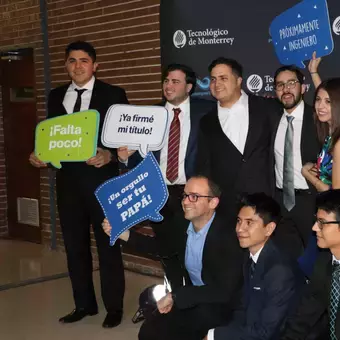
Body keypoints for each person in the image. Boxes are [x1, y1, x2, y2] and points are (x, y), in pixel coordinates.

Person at [29, 41, 128, 328]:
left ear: (95, 65)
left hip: (103, 183)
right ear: (65, 65)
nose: (78, 66)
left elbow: (126, 139)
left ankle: (114, 307)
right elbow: (53, 138)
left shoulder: (113, 94)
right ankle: (84, 304)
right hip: (68, 185)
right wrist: (40, 156)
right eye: (72, 61)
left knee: (109, 244)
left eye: (84, 60)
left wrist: (108, 155)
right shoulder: (56, 95)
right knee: (75, 247)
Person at [103, 175, 244, 340]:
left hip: (224, 304)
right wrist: (123, 234)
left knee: (186, 328)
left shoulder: (229, 235)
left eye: (194, 197)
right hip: (193, 298)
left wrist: (175, 296)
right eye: (184, 195)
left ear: (213, 203)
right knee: (149, 333)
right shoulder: (182, 223)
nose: (185, 202)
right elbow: (161, 247)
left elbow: (224, 291)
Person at [205, 193, 303, 340]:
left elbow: (267, 332)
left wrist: (215, 335)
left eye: (249, 223)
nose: (239, 229)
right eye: (239, 221)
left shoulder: (279, 270)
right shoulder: (250, 257)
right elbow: (243, 308)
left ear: (269, 229)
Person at [195, 57, 279, 220]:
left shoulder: (268, 108)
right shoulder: (206, 121)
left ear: (239, 80)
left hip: (265, 203)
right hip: (226, 205)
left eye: (223, 78)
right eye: (213, 79)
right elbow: (204, 164)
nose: (216, 84)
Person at [272, 65, 320, 259]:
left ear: (303, 87)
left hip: (312, 201)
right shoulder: (271, 118)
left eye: (291, 83)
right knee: (286, 260)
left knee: (315, 261)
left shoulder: (318, 118)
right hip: (280, 202)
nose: (286, 89)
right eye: (280, 85)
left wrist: (315, 72)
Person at [280, 189, 340, 339]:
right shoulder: (323, 261)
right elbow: (306, 313)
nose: (314, 228)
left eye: (322, 223)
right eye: (316, 221)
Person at [302, 78, 340, 192]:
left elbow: (336, 195)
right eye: (318, 100)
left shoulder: (338, 143)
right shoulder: (330, 135)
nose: (320, 106)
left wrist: (307, 174)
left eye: (328, 102)